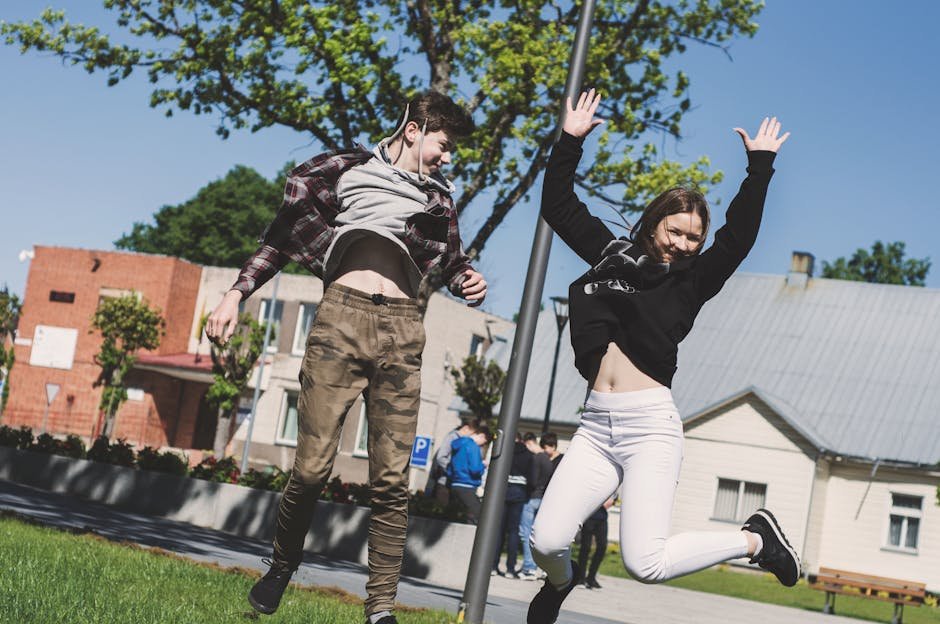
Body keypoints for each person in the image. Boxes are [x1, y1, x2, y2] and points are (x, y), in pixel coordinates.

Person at [204, 90, 487, 624]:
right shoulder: (345, 173)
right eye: (443, 146)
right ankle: (284, 562)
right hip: (341, 319)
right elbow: (281, 239)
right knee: (310, 469)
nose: (447, 159)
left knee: (391, 480)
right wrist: (234, 293)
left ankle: (380, 606)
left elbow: (453, 265)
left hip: (403, 330)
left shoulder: (440, 201)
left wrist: (468, 281)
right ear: (414, 131)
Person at [527, 90, 797, 623]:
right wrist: (570, 140)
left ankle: (753, 540)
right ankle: (559, 585)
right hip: (596, 425)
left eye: (694, 237)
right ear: (655, 224)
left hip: (649, 427)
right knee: (545, 541)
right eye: (675, 231)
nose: (683, 244)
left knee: (644, 561)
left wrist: (759, 167)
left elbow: (738, 237)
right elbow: (558, 205)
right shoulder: (612, 257)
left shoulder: (691, 281)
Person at [492, 431, 533, 578]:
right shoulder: (529, 455)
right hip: (519, 494)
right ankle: (510, 568)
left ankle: (493, 566)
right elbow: (532, 479)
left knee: (499, 530)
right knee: (514, 531)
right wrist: (526, 493)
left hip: (503, 492)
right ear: (521, 440)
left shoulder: (505, 452)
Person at [518, 432, 553, 581]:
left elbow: (532, 480)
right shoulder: (548, 459)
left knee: (525, 533)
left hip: (532, 498)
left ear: (530, 442)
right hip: (543, 499)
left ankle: (529, 567)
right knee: (538, 535)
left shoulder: (536, 458)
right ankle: (540, 567)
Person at [426, 418, 479, 505]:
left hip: (452, 481)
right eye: (471, 434)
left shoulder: (461, 440)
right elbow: (441, 457)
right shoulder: (452, 437)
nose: (471, 437)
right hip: (444, 481)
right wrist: (454, 469)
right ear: (466, 428)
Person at [447, 423, 491, 524]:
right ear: (482, 436)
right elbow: (475, 469)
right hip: (467, 484)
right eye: (484, 442)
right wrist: (483, 465)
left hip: (454, 483)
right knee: (479, 516)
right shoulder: (473, 446)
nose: (483, 445)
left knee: (456, 517)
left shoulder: (458, 443)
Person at [578, 497, 614, 589]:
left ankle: (591, 578)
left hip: (602, 518)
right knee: (586, 547)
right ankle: (580, 578)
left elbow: (615, 496)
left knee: (602, 547)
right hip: (589, 516)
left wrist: (612, 501)